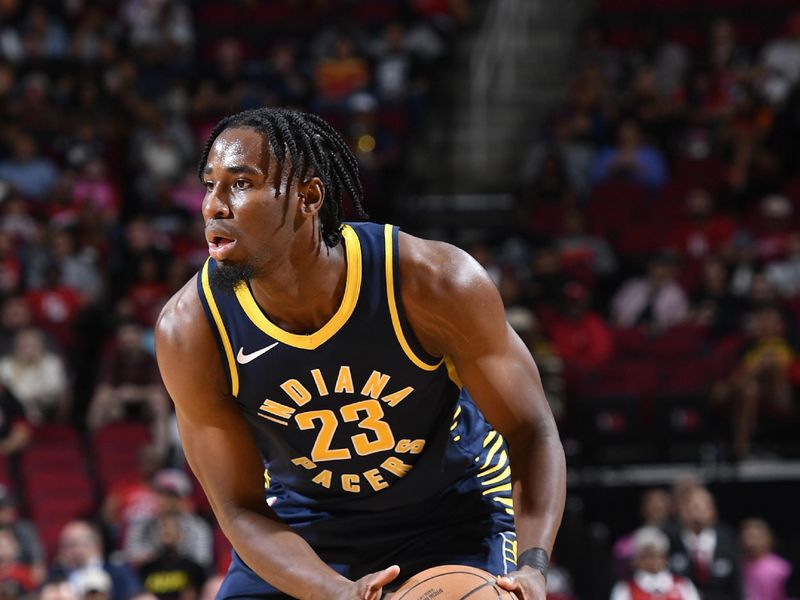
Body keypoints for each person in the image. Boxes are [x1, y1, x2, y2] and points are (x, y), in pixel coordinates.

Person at [155, 107, 566, 599]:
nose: (213, 206)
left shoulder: (429, 282)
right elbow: (239, 507)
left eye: (240, 184)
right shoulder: (192, 329)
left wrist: (534, 564)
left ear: (308, 197)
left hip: (455, 512)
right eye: (209, 185)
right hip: (308, 526)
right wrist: (337, 592)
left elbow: (531, 430)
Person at [610, 527, 700, 600]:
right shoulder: (624, 589)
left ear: (665, 558)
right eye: (647, 556)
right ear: (636, 561)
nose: (653, 561)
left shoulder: (683, 585)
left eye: (658, 555)